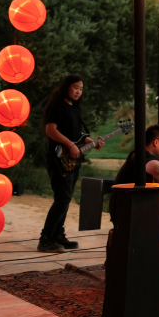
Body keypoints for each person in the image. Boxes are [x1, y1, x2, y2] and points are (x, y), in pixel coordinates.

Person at [39, 74, 102, 252]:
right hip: (59, 158)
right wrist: (70, 145)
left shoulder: (73, 108)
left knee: (65, 199)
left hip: (72, 160)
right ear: (66, 87)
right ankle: (45, 238)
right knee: (62, 198)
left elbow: (76, 135)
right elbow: (50, 129)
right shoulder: (58, 105)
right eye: (76, 87)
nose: (78, 92)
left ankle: (58, 234)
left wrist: (91, 142)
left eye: (81, 89)